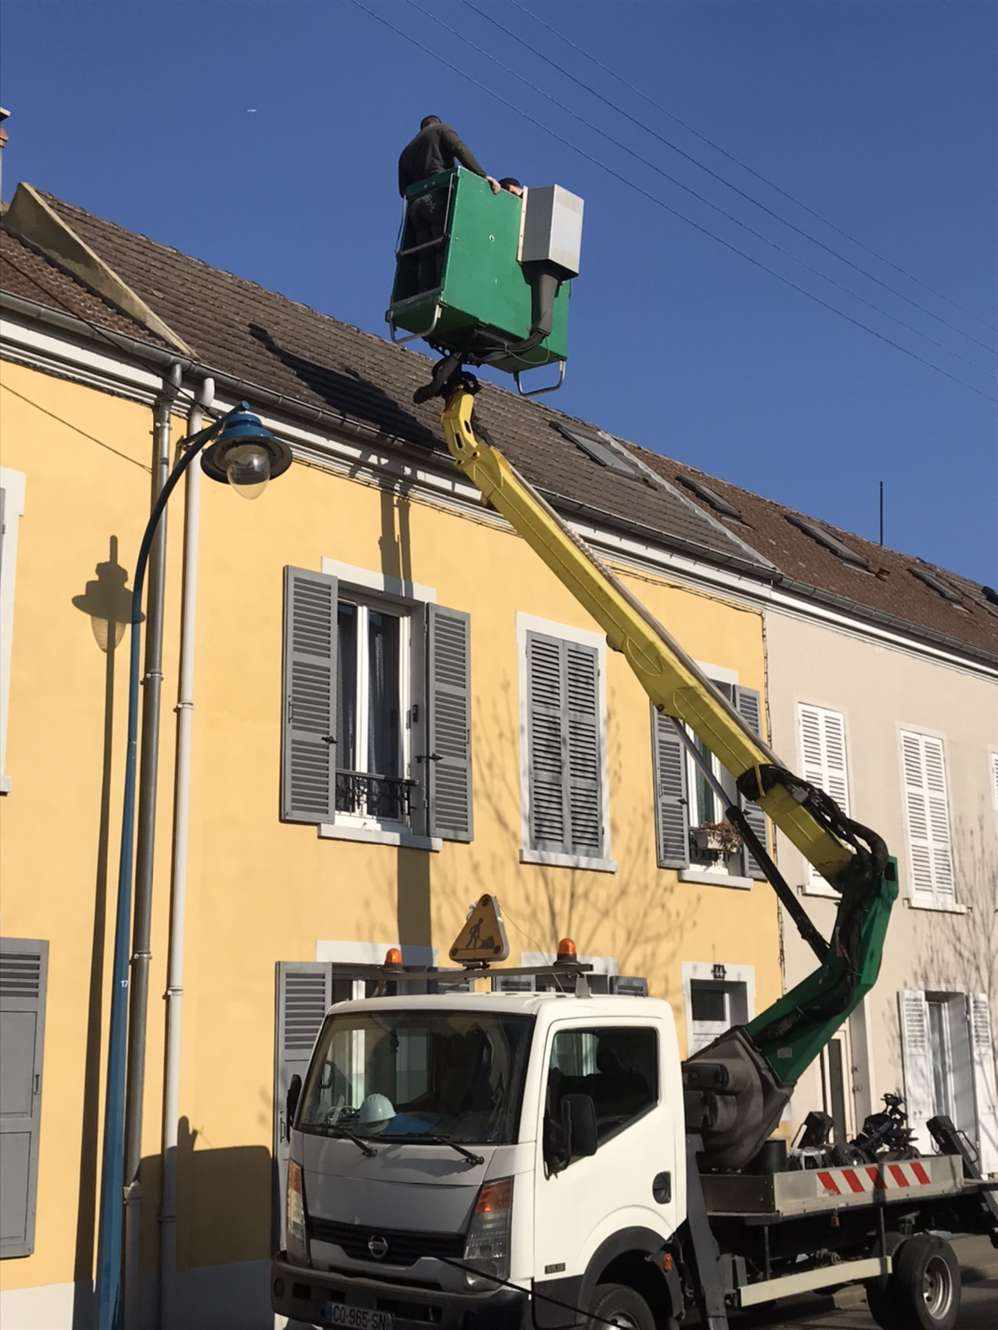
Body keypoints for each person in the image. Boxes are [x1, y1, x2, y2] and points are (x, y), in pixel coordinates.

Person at [398, 115, 500, 292]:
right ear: (437, 122)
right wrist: (482, 175)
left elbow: (403, 191)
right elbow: (459, 148)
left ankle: (425, 292)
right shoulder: (441, 129)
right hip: (437, 196)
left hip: (416, 208)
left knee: (425, 254)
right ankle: (443, 289)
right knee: (442, 245)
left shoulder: (406, 152)